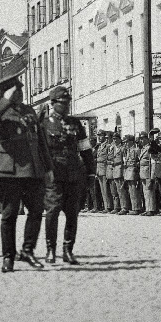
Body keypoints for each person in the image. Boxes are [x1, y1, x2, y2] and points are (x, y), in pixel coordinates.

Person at [0, 70, 54, 273]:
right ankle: (8, 256)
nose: (20, 93)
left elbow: (40, 141)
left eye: (21, 89)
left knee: (36, 211)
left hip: (31, 168)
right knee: (9, 214)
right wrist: (4, 101)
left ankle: (28, 251)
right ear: (7, 92)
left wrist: (48, 168)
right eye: (16, 90)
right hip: (8, 169)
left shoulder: (29, 111)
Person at [41, 86, 96, 264]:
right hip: (53, 175)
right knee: (52, 211)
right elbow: (39, 151)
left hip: (74, 174)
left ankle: (68, 250)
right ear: (53, 103)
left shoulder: (76, 124)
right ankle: (51, 249)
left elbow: (85, 150)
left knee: (72, 213)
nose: (66, 106)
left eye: (68, 103)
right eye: (62, 103)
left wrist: (91, 173)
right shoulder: (45, 124)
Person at [122, 134, 142, 215]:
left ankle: (136, 208)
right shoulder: (128, 150)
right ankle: (133, 207)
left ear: (131, 142)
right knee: (131, 190)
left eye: (127, 142)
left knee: (134, 190)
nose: (126, 143)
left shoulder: (136, 150)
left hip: (133, 171)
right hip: (128, 171)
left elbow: (140, 160)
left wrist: (136, 167)